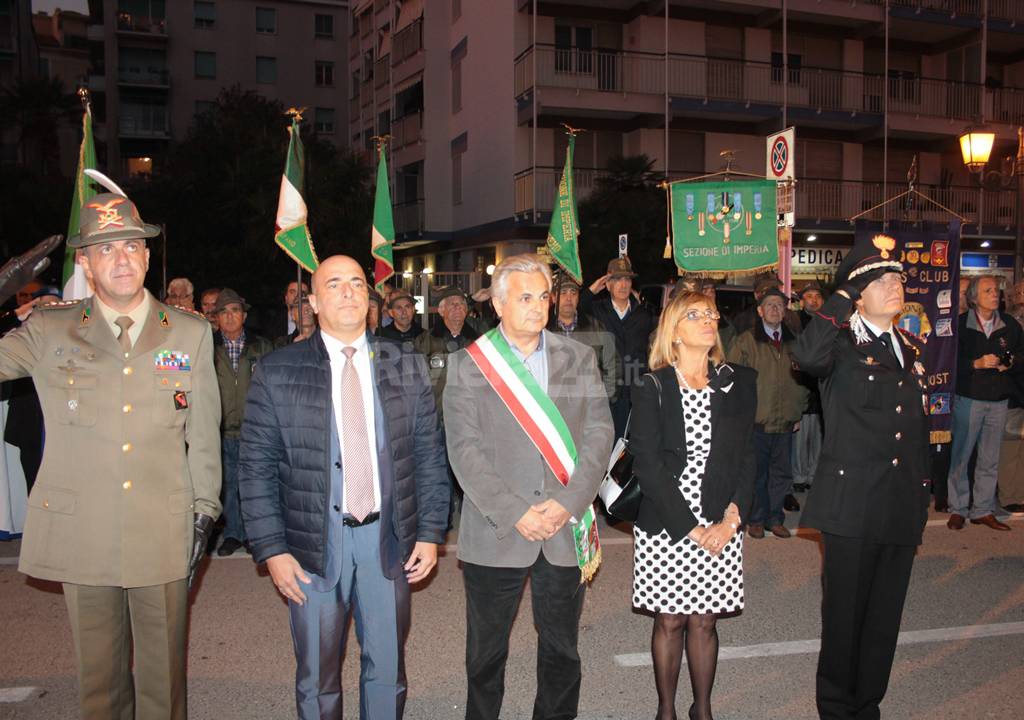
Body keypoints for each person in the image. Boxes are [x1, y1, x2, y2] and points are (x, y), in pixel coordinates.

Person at [0, 191, 221, 719]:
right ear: (87, 263)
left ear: (146, 255)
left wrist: (205, 510)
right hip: (84, 529)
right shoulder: (50, 329)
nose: (121, 259)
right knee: (99, 685)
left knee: (163, 682)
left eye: (130, 246)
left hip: (162, 525)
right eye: (105, 250)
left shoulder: (189, 333)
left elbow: (204, 432)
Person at [239, 255, 450, 720]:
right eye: (334, 284)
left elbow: (429, 454)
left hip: (388, 541)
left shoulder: (405, 366)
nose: (349, 291)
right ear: (313, 302)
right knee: (317, 675)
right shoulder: (278, 370)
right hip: (312, 546)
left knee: (388, 669)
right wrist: (272, 549)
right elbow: (255, 468)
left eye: (357, 283)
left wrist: (432, 533)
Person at [444, 254, 613, 720]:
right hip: (498, 531)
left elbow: (599, 434)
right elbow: (464, 451)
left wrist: (568, 503)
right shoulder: (468, 366)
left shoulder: (578, 356)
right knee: (486, 655)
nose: (539, 306)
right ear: (498, 304)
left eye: (544, 296)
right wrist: (516, 511)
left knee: (562, 651)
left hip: (563, 528)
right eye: (525, 297)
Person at [792, 233, 931, 720]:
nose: (894, 284)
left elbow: (914, 431)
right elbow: (806, 356)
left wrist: (921, 498)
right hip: (851, 504)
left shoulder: (910, 348)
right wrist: (843, 296)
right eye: (880, 279)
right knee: (846, 617)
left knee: (883, 618)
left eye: (896, 278)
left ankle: (867, 704)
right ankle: (836, 709)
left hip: (898, 504)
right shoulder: (841, 346)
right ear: (858, 291)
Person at [630, 290, 756, 720]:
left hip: (721, 517)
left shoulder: (738, 381)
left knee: (705, 621)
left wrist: (731, 519)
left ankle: (702, 709)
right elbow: (647, 465)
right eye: (695, 315)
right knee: (670, 621)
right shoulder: (653, 386)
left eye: (711, 314)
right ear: (675, 331)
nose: (708, 320)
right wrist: (691, 528)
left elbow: (746, 455)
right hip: (669, 522)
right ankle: (666, 710)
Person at [727, 288, 809, 538]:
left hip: (785, 420)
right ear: (760, 310)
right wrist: (740, 415)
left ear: (785, 312)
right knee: (756, 473)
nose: (775, 309)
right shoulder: (746, 341)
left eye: (779, 305)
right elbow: (732, 378)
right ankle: (756, 518)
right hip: (756, 420)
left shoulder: (795, 342)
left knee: (781, 474)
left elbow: (805, 380)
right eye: (770, 305)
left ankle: (775, 518)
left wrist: (798, 411)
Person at [946, 275, 1023, 532]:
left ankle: (983, 510)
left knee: (990, 458)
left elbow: (1021, 355)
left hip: (998, 400)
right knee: (961, 456)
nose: (995, 295)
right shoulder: (959, 325)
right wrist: (974, 364)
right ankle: (957, 508)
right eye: (988, 290)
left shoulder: (1010, 325)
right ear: (974, 298)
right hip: (968, 398)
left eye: (996, 291)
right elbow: (946, 359)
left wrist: (1010, 362)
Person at [212, 288, 274, 556]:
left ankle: (253, 533)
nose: (229, 317)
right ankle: (233, 532)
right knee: (227, 485)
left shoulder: (261, 346)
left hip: (253, 429)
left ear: (244, 315)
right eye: (223, 312)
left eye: (234, 310)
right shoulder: (207, 347)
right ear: (216, 318)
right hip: (221, 428)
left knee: (253, 484)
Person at [582, 256, 655, 438]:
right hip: (607, 392)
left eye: (627, 279)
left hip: (635, 392)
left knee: (632, 443)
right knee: (604, 440)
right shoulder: (598, 310)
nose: (623, 284)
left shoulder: (643, 314)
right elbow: (574, 309)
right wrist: (592, 290)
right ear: (607, 284)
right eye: (616, 279)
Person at [547, 275, 620, 401]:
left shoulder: (595, 327)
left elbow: (612, 365)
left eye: (573, 293)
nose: (569, 298)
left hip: (588, 407)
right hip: (553, 407)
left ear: (578, 297)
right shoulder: (543, 329)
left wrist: (604, 400)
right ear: (553, 297)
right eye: (563, 293)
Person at [413, 286, 480, 422]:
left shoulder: (478, 342)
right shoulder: (425, 341)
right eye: (452, 304)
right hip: (436, 418)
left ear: (466, 310)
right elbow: (416, 383)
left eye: (461, 304)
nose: (457, 307)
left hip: (469, 419)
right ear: (441, 310)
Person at [793, 282, 828, 493]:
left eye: (817, 296)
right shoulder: (795, 322)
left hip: (822, 386)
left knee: (818, 436)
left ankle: (815, 475)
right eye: (809, 296)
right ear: (802, 300)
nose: (814, 300)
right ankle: (798, 476)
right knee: (800, 437)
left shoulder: (828, 322)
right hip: (802, 383)